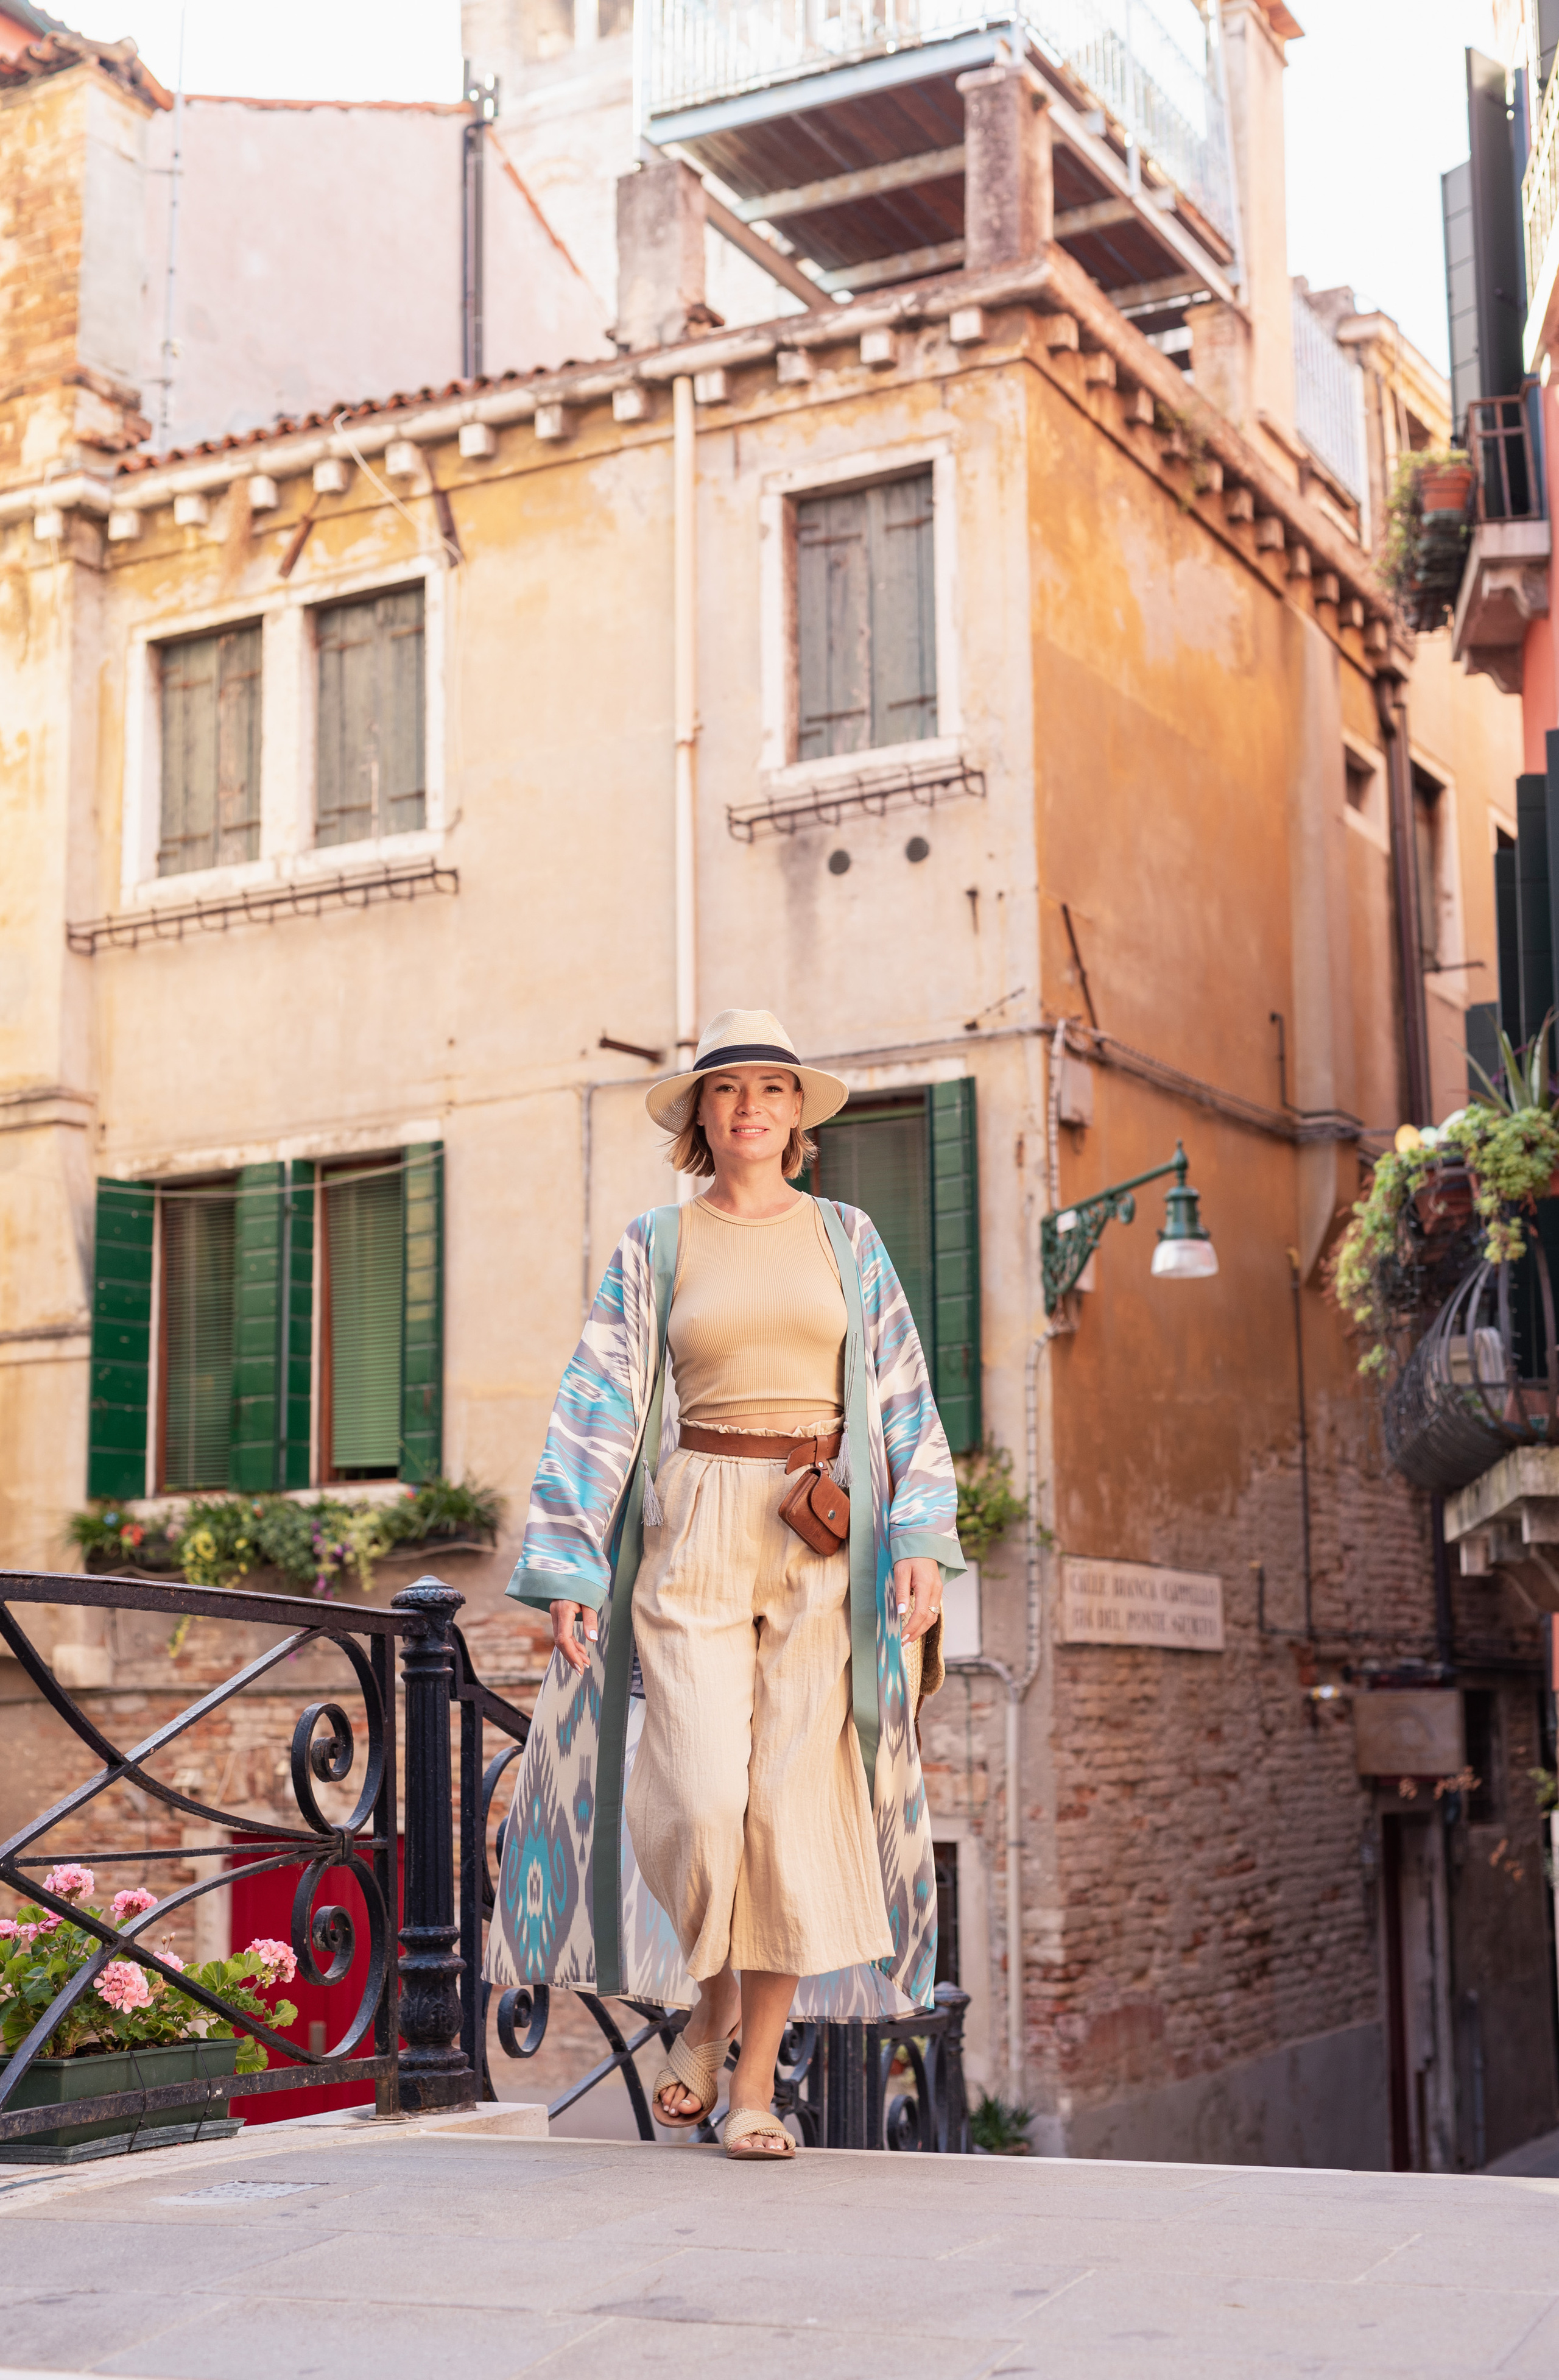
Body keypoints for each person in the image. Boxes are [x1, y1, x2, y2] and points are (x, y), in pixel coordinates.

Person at [488, 1009, 965, 2161]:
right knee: (701, 1798)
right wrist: (568, 1564)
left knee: (792, 1817)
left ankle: (752, 2080)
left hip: (823, 1533)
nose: (751, 1104)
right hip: (697, 1518)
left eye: (772, 1087)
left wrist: (919, 1538)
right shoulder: (658, 1243)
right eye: (727, 1089)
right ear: (702, 1117)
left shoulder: (851, 1239)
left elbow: (901, 1391)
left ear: (799, 1114)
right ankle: (705, 2011)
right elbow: (598, 1404)